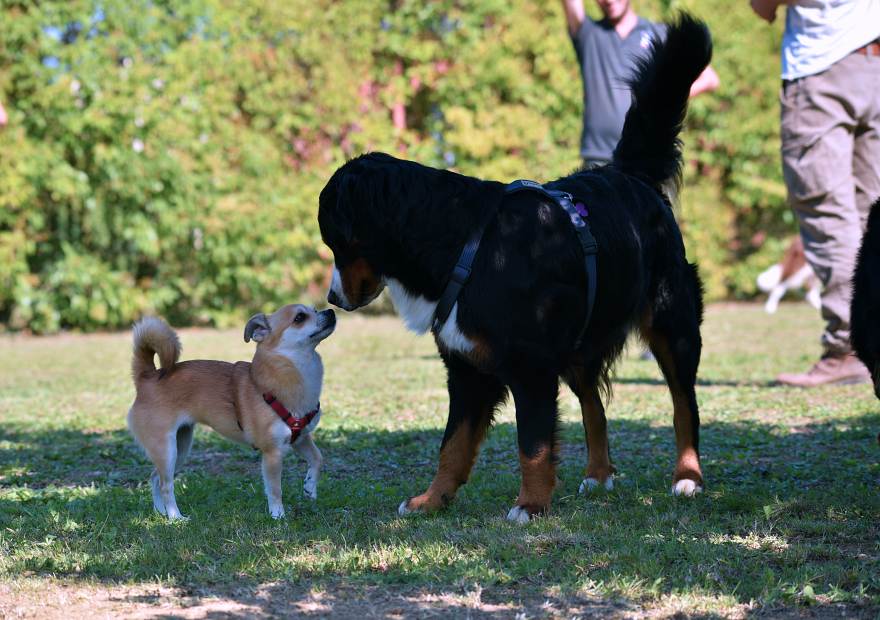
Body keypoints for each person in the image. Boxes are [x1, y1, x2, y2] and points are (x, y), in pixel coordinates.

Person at [751, 0, 880, 387]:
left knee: (828, 213)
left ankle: (850, 347)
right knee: (871, 211)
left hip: (822, 65)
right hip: (874, 62)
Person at [561, 0, 720, 168]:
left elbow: (709, 79)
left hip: (645, 161)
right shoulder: (589, 34)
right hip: (598, 160)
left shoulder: (658, 34)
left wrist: (666, 99)